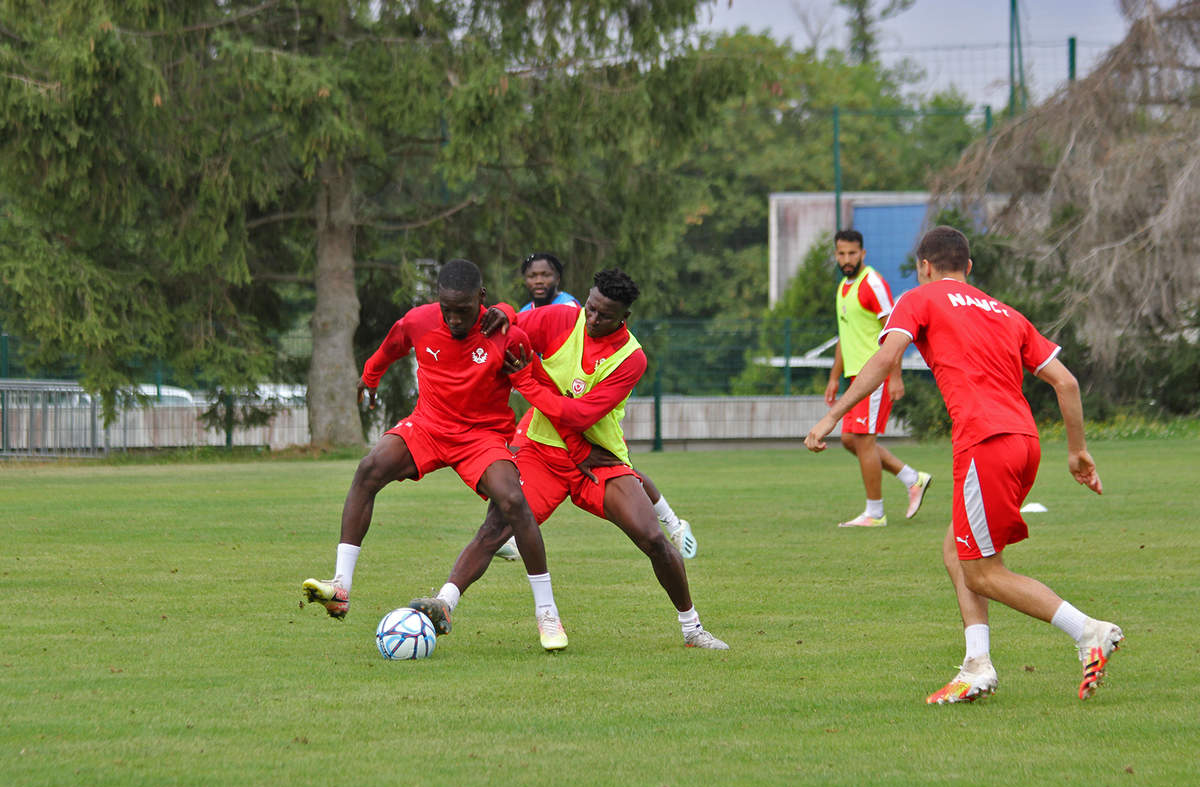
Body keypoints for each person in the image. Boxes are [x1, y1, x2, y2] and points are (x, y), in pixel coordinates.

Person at [805, 225, 1123, 703]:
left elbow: (885, 354)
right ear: (969, 268)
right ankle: (977, 665)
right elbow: (1067, 383)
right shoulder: (1006, 312)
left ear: (925, 267)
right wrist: (1077, 452)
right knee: (957, 552)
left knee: (981, 572)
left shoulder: (921, 297)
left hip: (984, 442)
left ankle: (1088, 631)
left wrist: (832, 415)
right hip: (1024, 441)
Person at [411, 268, 728, 650]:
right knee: (497, 525)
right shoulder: (563, 317)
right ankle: (445, 603)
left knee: (653, 538)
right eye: (591, 308)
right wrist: (505, 309)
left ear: (623, 318)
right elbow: (511, 322)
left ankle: (692, 628)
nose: (592, 319)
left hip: (597, 460)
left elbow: (579, 417)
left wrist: (527, 382)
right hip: (540, 449)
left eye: (604, 315)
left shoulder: (631, 359)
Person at [302, 259, 569, 651]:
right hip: (428, 425)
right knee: (369, 468)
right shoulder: (420, 320)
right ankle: (341, 586)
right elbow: (392, 344)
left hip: (482, 436)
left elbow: (536, 379)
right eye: (447, 310)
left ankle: (547, 614)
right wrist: (370, 377)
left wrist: (510, 315)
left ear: (481, 299)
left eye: (463, 310)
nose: (454, 319)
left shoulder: (506, 335)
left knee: (513, 501)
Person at [495, 252, 696, 561]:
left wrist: (527, 382)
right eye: (533, 275)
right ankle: (508, 531)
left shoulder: (571, 309)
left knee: (624, 472)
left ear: (557, 279)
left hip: (574, 411)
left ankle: (673, 523)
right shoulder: (531, 310)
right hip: (546, 402)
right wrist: (503, 310)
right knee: (520, 459)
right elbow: (509, 329)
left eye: (545, 275)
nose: (539, 280)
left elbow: (577, 406)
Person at [825, 229, 932, 528]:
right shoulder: (843, 288)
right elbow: (844, 338)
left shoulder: (872, 283)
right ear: (836, 255)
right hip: (854, 376)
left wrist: (894, 376)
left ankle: (875, 513)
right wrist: (834, 378)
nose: (847, 259)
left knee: (864, 439)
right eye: (841, 254)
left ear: (863, 254)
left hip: (874, 374)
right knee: (850, 440)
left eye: (852, 253)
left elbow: (895, 331)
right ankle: (913, 478)